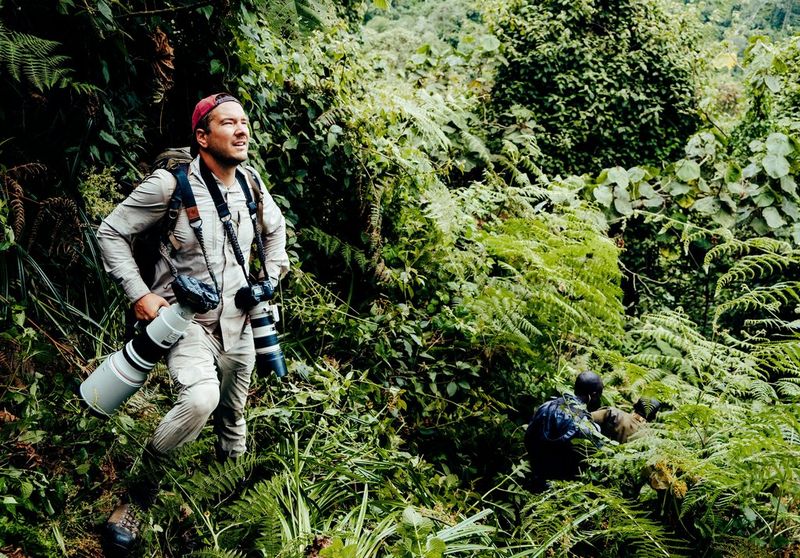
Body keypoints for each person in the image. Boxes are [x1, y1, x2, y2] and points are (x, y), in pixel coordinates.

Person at [96, 92, 289, 553]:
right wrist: (141, 294)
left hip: (240, 323)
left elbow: (277, 231)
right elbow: (111, 232)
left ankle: (225, 513)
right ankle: (137, 499)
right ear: (202, 136)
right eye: (228, 123)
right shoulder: (170, 187)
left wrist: (270, 279)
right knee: (202, 398)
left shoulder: (252, 184)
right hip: (187, 325)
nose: (242, 130)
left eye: (245, 121)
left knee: (232, 418)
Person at [524, 371, 605, 492]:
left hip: (536, 476)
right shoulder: (587, 425)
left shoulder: (547, 405)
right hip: (562, 488)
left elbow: (528, 437)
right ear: (592, 395)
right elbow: (597, 459)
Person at [591, 397, 661, 443]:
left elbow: (584, 418)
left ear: (635, 406)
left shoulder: (614, 414)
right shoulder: (650, 437)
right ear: (653, 417)